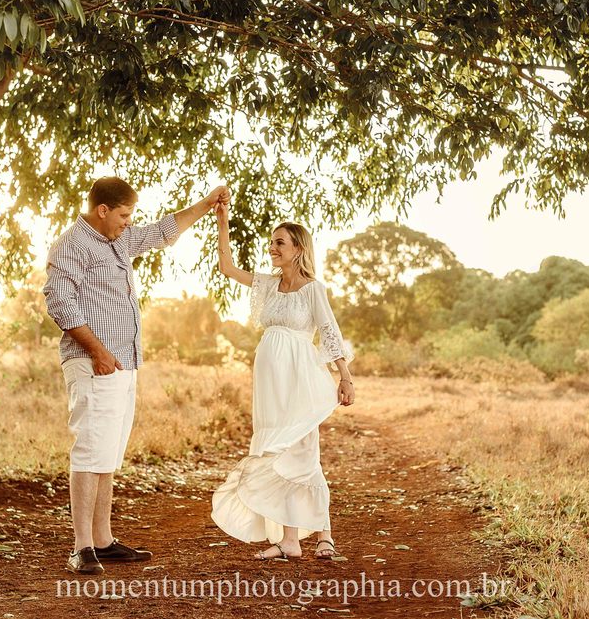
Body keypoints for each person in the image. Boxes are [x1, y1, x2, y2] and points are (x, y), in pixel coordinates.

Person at [43, 176, 230, 574]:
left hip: (122, 364)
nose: (130, 222)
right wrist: (98, 351)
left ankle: (103, 540)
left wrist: (206, 202)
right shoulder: (72, 245)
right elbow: (58, 301)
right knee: (90, 449)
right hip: (94, 362)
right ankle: (81, 548)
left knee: (108, 451)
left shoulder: (120, 241)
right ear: (103, 210)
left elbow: (163, 231)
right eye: (125, 215)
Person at [209, 198, 355, 561]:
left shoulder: (312, 289)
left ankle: (325, 534)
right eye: (271, 242)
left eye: (280, 243)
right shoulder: (268, 284)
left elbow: (329, 331)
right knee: (279, 452)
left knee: (303, 449)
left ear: (298, 249)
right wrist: (223, 221)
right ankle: (290, 540)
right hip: (270, 377)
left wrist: (345, 376)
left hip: (300, 373)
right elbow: (227, 267)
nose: (272, 248)